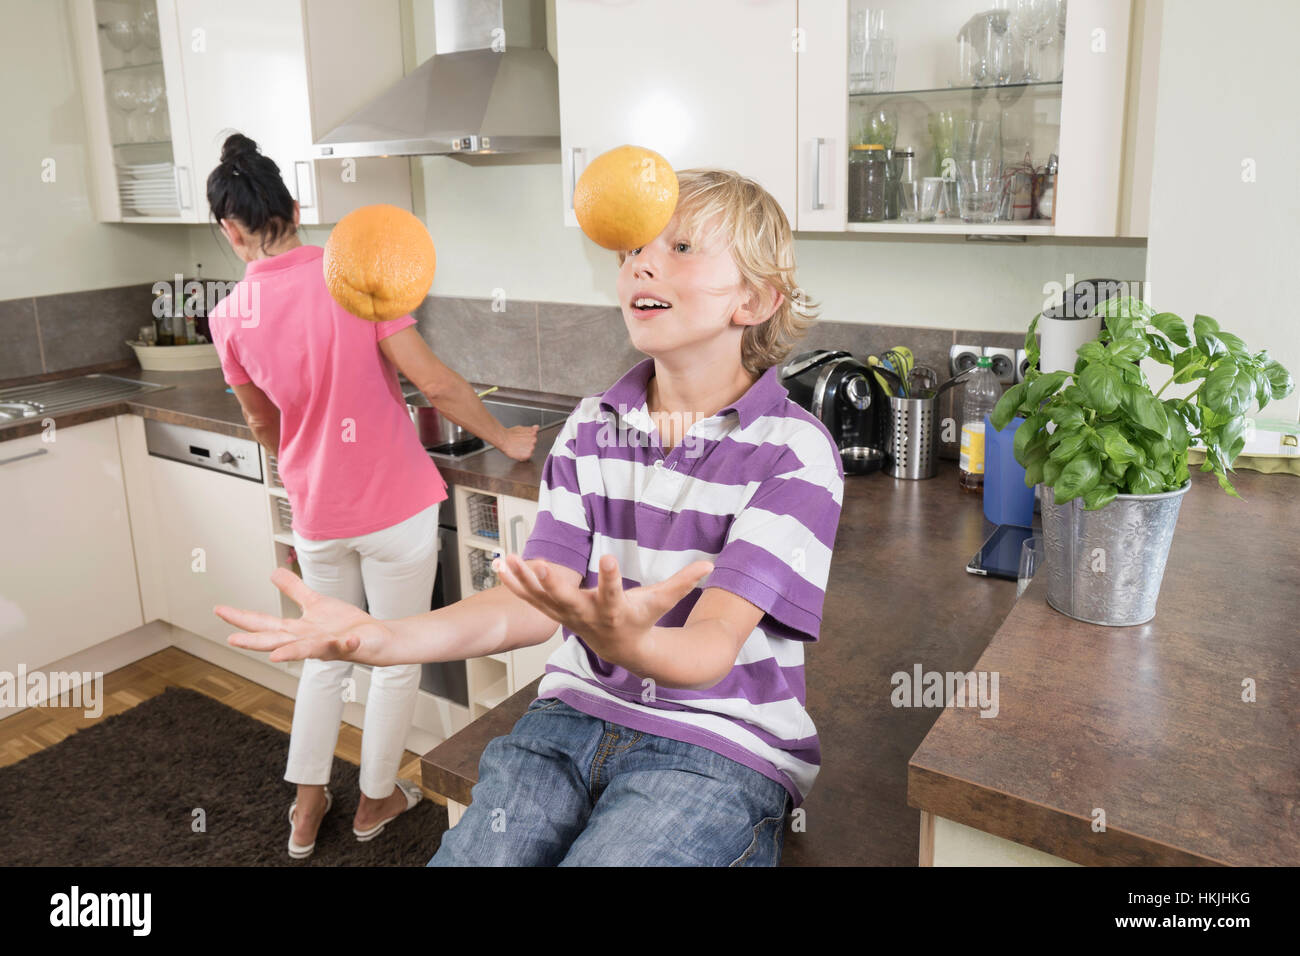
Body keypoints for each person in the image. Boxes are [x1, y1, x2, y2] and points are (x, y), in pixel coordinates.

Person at [215, 167, 844, 866]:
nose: (641, 263)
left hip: (719, 748)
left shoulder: (793, 452)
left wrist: (624, 641)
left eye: (682, 248)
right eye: (632, 251)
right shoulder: (588, 429)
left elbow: (710, 646)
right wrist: (381, 638)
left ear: (755, 298)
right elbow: (534, 600)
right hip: (570, 722)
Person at [204, 132, 539, 859]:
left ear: (230, 230)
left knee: (323, 655)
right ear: (296, 208)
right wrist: (507, 440)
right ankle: (376, 800)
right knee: (393, 654)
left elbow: (263, 422)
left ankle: (306, 806)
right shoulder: (354, 278)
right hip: (396, 507)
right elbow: (439, 383)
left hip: (318, 511)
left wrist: (305, 458)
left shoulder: (228, 316)